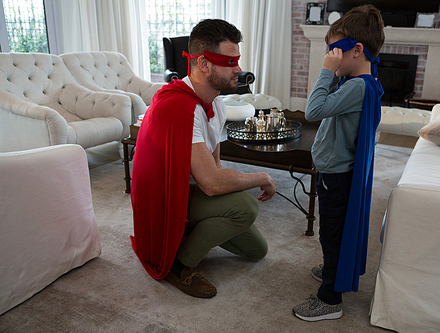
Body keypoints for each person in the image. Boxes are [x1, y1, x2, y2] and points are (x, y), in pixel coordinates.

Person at [130, 19, 277, 299]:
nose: (238, 69)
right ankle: (177, 264)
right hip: (164, 202)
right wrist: (262, 177)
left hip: (186, 190)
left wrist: (221, 203)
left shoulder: (216, 103)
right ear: (204, 64)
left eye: (238, 60)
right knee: (245, 207)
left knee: (256, 250)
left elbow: (215, 168)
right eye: (229, 61)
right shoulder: (177, 106)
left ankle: (193, 232)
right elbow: (210, 183)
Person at [292, 5, 385, 321]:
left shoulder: (357, 86)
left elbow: (313, 111)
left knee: (332, 232)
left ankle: (330, 298)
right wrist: (336, 72)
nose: (330, 56)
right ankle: (333, 268)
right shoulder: (362, 82)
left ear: (357, 50)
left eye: (334, 50)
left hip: (336, 176)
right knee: (331, 229)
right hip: (337, 172)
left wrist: (326, 70)